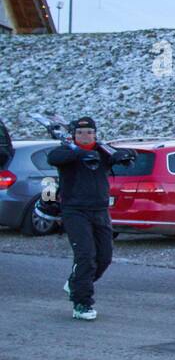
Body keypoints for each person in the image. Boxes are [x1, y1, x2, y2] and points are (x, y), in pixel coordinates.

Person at [46, 117, 137, 320]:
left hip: (100, 211)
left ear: (95, 134)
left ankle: (75, 284)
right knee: (85, 256)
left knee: (104, 257)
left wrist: (128, 154)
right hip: (75, 211)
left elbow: (125, 156)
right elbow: (53, 158)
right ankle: (82, 304)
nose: (85, 136)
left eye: (88, 133)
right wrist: (78, 154)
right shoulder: (68, 152)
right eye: (80, 133)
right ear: (74, 135)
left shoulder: (103, 152)